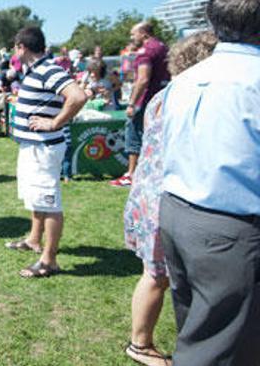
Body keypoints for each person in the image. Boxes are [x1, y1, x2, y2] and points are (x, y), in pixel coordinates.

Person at [158, 0, 260, 365]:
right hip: (231, 226)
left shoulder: (187, 79)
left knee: (196, 327)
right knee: (222, 344)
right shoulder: (250, 80)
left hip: (180, 213)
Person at [122, 31, 218, 366]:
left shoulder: (165, 95)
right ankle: (140, 344)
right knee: (157, 274)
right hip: (166, 194)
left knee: (160, 273)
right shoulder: (190, 96)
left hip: (152, 191)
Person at [4, 27, 87, 278]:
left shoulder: (49, 69)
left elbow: (78, 96)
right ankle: (33, 239)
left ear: (21, 48)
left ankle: (49, 260)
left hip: (44, 147)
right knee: (35, 196)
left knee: (48, 201)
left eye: (15, 48)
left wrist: (54, 122)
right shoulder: (37, 70)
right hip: (33, 147)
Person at [110, 22, 170, 187]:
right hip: (163, 98)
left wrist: (132, 103)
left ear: (143, 33)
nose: (132, 38)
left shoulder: (145, 51)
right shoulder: (163, 48)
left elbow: (143, 79)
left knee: (134, 133)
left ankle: (132, 173)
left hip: (146, 100)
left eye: (133, 34)